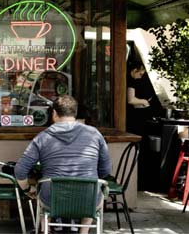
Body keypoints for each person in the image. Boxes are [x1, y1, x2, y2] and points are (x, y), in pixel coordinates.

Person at [14, 95, 111, 234]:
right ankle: (83, 232)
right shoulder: (95, 134)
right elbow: (106, 170)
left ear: (54, 113)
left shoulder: (42, 137)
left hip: (52, 199)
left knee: (42, 195)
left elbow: (20, 170)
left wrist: (28, 189)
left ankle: (45, 229)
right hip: (89, 199)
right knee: (95, 194)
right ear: (75, 112)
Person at [126, 61, 153, 136]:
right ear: (135, 70)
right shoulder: (131, 81)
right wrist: (144, 102)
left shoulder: (130, 80)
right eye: (140, 74)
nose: (141, 77)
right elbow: (131, 100)